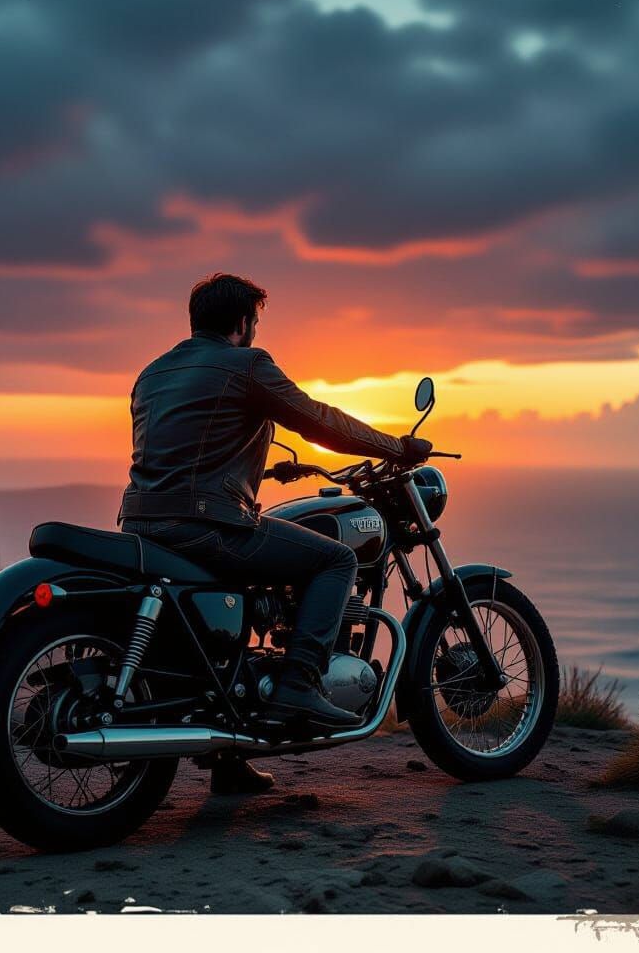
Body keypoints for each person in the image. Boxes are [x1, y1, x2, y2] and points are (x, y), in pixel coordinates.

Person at [119, 273, 432, 794]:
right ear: (243, 323)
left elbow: (185, 450)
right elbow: (318, 420)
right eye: (256, 323)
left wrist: (263, 471)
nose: (257, 332)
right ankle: (298, 686)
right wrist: (394, 447)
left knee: (238, 607)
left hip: (143, 525)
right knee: (335, 561)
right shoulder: (247, 366)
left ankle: (228, 757)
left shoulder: (152, 373)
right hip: (206, 526)